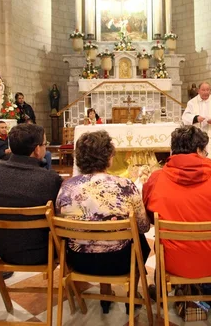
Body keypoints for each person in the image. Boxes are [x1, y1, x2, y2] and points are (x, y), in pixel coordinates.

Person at [56, 130, 150, 312]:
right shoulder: (125, 185)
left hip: (78, 260)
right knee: (141, 242)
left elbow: (62, 222)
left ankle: (105, 291)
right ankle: (131, 296)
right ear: (108, 157)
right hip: (119, 260)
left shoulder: (67, 187)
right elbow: (144, 226)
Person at [143, 125, 211, 278]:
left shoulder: (156, 179)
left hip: (173, 261)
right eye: (205, 151)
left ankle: (164, 292)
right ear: (199, 150)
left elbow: (150, 217)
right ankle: (210, 291)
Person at [0, 123, 63, 265]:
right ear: (37, 150)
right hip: (43, 252)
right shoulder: (49, 178)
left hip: (3, 251)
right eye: (45, 144)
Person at [182, 82, 211, 170]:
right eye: (203, 90)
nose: (206, 92)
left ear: (210, 91)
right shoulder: (192, 102)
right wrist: (195, 118)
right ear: (198, 91)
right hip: (197, 135)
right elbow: (185, 116)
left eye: (208, 90)